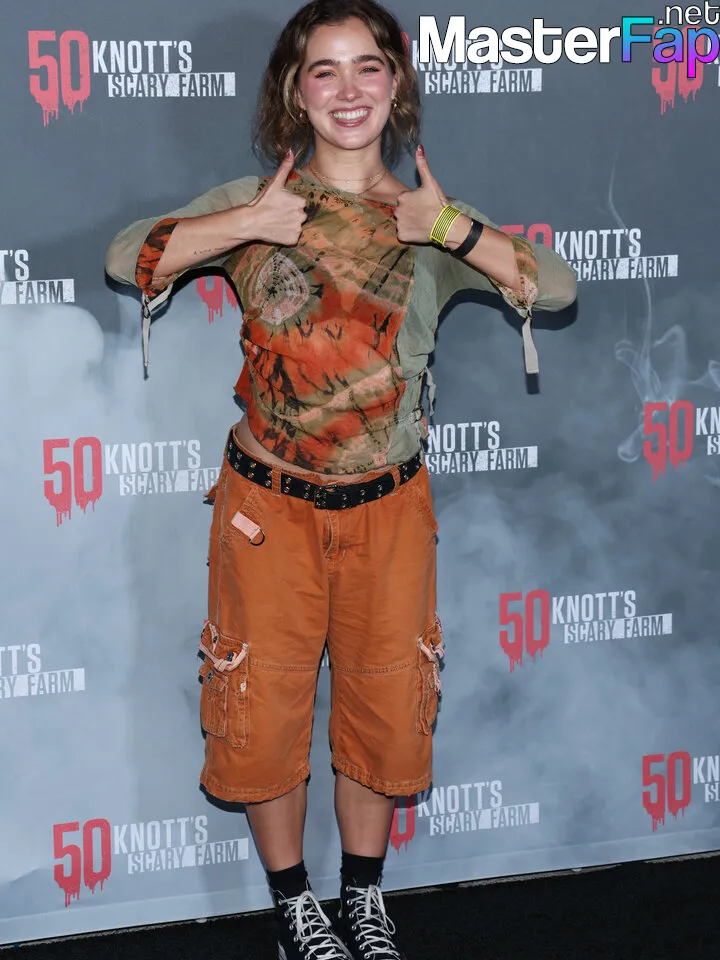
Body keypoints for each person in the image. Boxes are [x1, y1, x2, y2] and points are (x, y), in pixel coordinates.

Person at [106, 1, 576, 956]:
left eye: (369, 66)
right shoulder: (257, 200)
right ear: (296, 91)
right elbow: (129, 260)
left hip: (387, 513)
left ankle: (363, 898)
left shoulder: (428, 222)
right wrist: (247, 223)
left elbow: (555, 287)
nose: (349, 88)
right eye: (325, 69)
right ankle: (295, 908)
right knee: (259, 712)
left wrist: (447, 225)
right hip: (268, 512)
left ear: (396, 86)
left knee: (384, 707)